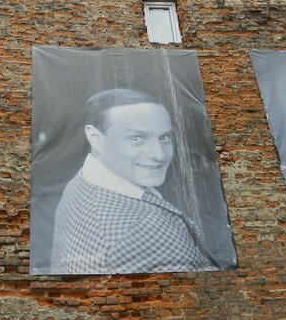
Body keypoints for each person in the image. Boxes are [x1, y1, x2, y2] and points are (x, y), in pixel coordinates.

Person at [50, 88, 217, 274]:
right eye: (136, 138)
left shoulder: (83, 180)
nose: (159, 155)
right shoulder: (151, 230)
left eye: (164, 137)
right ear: (95, 139)